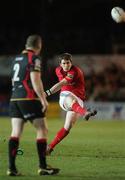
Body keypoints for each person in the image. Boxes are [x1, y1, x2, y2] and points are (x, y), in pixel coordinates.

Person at [7, 34, 60, 176]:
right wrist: (43, 99)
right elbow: (35, 80)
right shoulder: (34, 58)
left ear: (26, 45)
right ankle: (43, 166)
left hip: (14, 99)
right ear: (39, 45)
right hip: (28, 98)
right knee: (42, 129)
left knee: (16, 132)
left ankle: (11, 168)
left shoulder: (16, 59)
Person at [45, 53, 97, 155]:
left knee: (67, 127)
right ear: (60, 64)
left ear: (71, 63)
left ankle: (49, 148)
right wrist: (47, 93)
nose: (66, 65)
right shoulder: (58, 70)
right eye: (64, 63)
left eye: (68, 63)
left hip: (79, 101)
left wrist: (46, 93)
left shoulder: (75, 71)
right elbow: (62, 85)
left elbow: (62, 83)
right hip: (66, 96)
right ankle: (85, 112)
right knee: (71, 99)